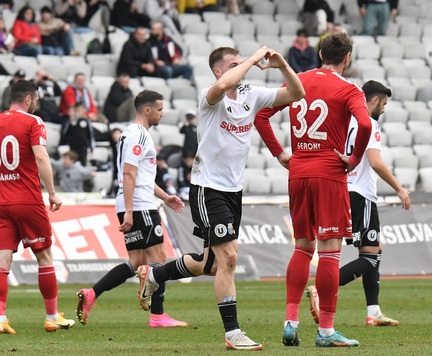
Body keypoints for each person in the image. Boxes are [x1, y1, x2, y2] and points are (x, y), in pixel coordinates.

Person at [135, 45, 305, 351]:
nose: (243, 68)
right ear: (218, 70)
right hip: (207, 188)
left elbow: (297, 93)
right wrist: (253, 59)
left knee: (211, 264)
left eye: (242, 63)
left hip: (233, 190)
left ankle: (155, 275)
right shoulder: (210, 96)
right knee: (229, 258)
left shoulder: (251, 94)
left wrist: (281, 65)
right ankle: (232, 333)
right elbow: (225, 85)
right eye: (235, 64)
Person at [255, 32, 372, 347]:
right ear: (347, 58)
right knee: (330, 250)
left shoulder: (297, 81)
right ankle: (325, 331)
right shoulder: (349, 89)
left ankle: (291, 322)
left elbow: (261, 114)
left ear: (320, 54)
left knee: (302, 247)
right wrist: (354, 158)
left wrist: (281, 153)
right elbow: (365, 125)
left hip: (299, 171)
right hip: (329, 172)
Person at [76, 90, 187, 328]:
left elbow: (142, 177)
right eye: (159, 109)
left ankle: (92, 294)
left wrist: (166, 197)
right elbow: (129, 173)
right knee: (159, 257)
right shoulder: (139, 136)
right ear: (147, 110)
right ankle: (158, 315)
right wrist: (129, 210)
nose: (162, 113)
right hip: (138, 205)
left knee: (136, 261)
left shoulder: (130, 134)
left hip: (133, 202)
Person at [306, 80, 410, 330]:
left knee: (374, 248)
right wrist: (399, 188)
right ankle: (321, 289)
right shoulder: (368, 123)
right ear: (373, 101)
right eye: (383, 104)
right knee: (370, 254)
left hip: (342, 188)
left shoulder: (342, 119)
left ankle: (373, 312)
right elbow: (375, 161)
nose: (384, 110)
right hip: (360, 193)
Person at [0, 80, 75, 334]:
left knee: (2, 260)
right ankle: (52, 316)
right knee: (44, 257)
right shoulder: (33, 122)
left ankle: (0, 317)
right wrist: (52, 193)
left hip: (2, 201)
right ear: (29, 100)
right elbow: (41, 156)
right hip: (27, 199)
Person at [61, 102, 95, 166]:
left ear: (83, 110)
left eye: (79, 110)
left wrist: (91, 148)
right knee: (73, 165)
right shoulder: (71, 121)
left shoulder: (86, 121)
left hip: (83, 148)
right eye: (76, 110)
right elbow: (65, 134)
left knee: (83, 165)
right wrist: (70, 123)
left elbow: (90, 135)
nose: (78, 112)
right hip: (73, 148)